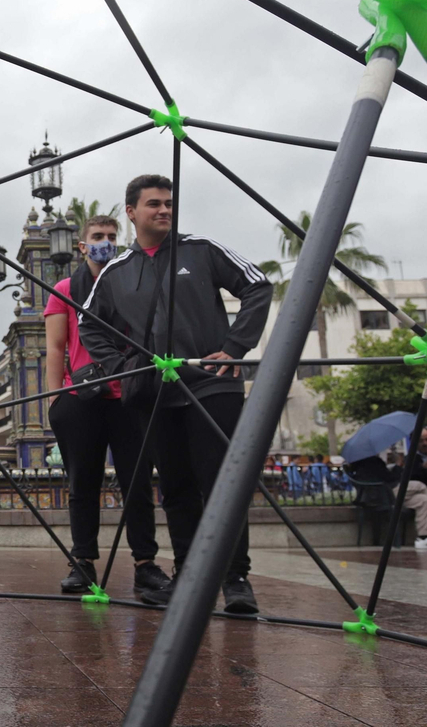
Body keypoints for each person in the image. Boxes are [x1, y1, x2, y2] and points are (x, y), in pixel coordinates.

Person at [81, 174, 272, 614]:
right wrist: (123, 368)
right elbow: (89, 323)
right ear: (132, 212)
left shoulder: (200, 249)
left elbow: (258, 286)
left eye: (169, 202)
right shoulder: (116, 271)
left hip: (212, 383)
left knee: (223, 483)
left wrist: (236, 346)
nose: (164, 209)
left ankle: (235, 579)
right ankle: (187, 575)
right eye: (154, 204)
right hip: (157, 393)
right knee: (176, 487)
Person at [43, 215, 167, 596]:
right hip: (81, 397)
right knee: (82, 483)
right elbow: (55, 348)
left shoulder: (132, 284)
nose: (106, 242)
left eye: (112, 236)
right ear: (82, 245)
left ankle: (145, 563)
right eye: (97, 236)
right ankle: (82, 561)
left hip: (128, 394)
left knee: (138, 482)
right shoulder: (65, 289)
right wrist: (55, 399)